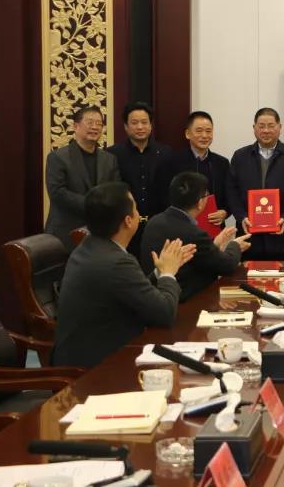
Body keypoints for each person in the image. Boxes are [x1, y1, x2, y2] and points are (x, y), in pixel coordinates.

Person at [52, 182, 195, 368]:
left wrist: (160, 270)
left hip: (84, 355)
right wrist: (168, 273)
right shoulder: (116, 261)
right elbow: (165, 314)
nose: (138, 213)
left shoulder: (89, 246)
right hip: (97, 368)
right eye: (135, 208)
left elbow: (133, 291)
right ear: (128, 220)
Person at [141, 172, 251, 301]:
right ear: (200, 203)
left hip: (154, 297)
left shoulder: (154, 222)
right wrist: (235, 245)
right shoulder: (194, 233)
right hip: (187, 300)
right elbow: (226, 266)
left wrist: (214, 245)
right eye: (206, 194)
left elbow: (199, 257)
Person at [227, 108, 284, 259]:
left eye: (271, 126)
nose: (266, 130)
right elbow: (231, 190)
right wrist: (241, 216)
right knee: (247, 272)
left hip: (281, 232)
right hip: (249, 232)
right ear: (254, 128)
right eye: (261, 126)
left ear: (279, 127)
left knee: (282, 273)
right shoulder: (240, 156)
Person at [44, 106, 120, 250]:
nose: (95, 127)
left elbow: (115, 190)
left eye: (99, 124)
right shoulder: (58, 157)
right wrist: (93, 205)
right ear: (75, 126)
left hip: (100, 232)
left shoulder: (109, 159)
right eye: (90, 122)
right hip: (65, 234)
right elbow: (57, 192)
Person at [108, 101, 172, 258]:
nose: (140, 127)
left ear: (150, 125)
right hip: (125, 227)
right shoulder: (113, 154)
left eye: (144, 122)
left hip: (158, 226)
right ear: (126, 126)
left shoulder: (165, 153)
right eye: (134, 123)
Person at [155, 111, 232, 233]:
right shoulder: (172, 162)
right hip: (181, 229)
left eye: (208, 131)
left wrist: (225, 212)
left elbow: (231, 195)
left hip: (214, 229)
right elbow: (164, 196)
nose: (204, 135)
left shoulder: (222, 163)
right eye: (199, 131)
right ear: (187, 134)